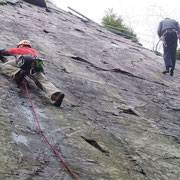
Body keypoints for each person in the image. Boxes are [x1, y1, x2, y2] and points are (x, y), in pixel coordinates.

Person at [0, 40, 65, 107]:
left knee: (5, 66)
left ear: (21, 45)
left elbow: (4, 52)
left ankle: (18, 73)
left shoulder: (18, 49)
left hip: (24, 60)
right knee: (42, 80)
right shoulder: (34, 52)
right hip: (35, 64)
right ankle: (56, 94)